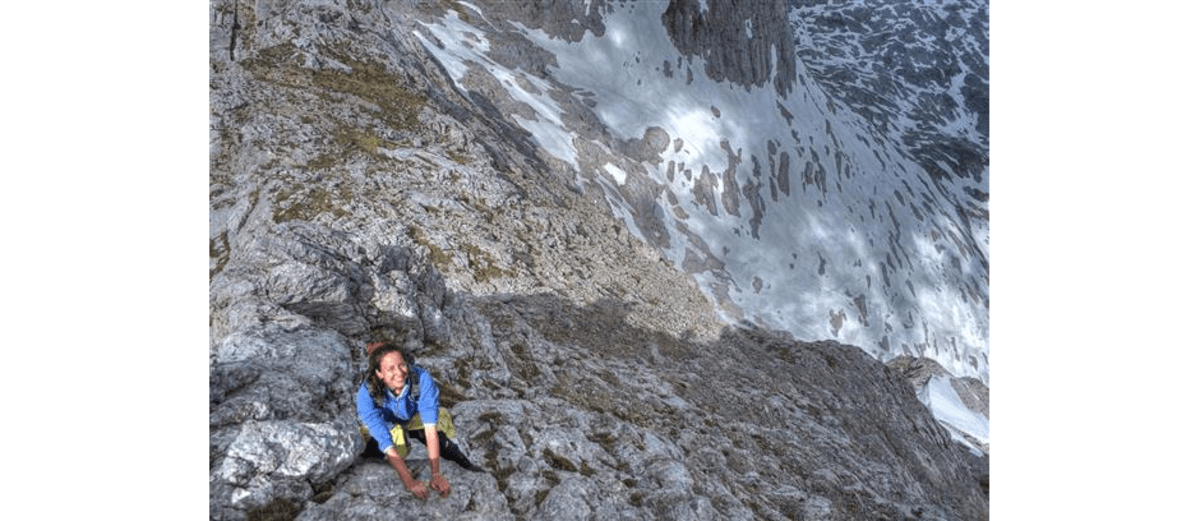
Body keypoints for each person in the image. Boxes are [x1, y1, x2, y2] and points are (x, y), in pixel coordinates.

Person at [356, 342, 484, 499]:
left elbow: (430, 431)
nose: (399, 372)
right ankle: (370, 465)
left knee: (438, 436)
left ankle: (465, 465)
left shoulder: (421, 379)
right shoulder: (366, 394)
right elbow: (384, 439)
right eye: (390, 369)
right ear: (379, 373)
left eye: (401, 365)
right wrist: (408, 480)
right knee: (374, 447)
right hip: (387, 421)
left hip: (413, 415)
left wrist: (436, 474)